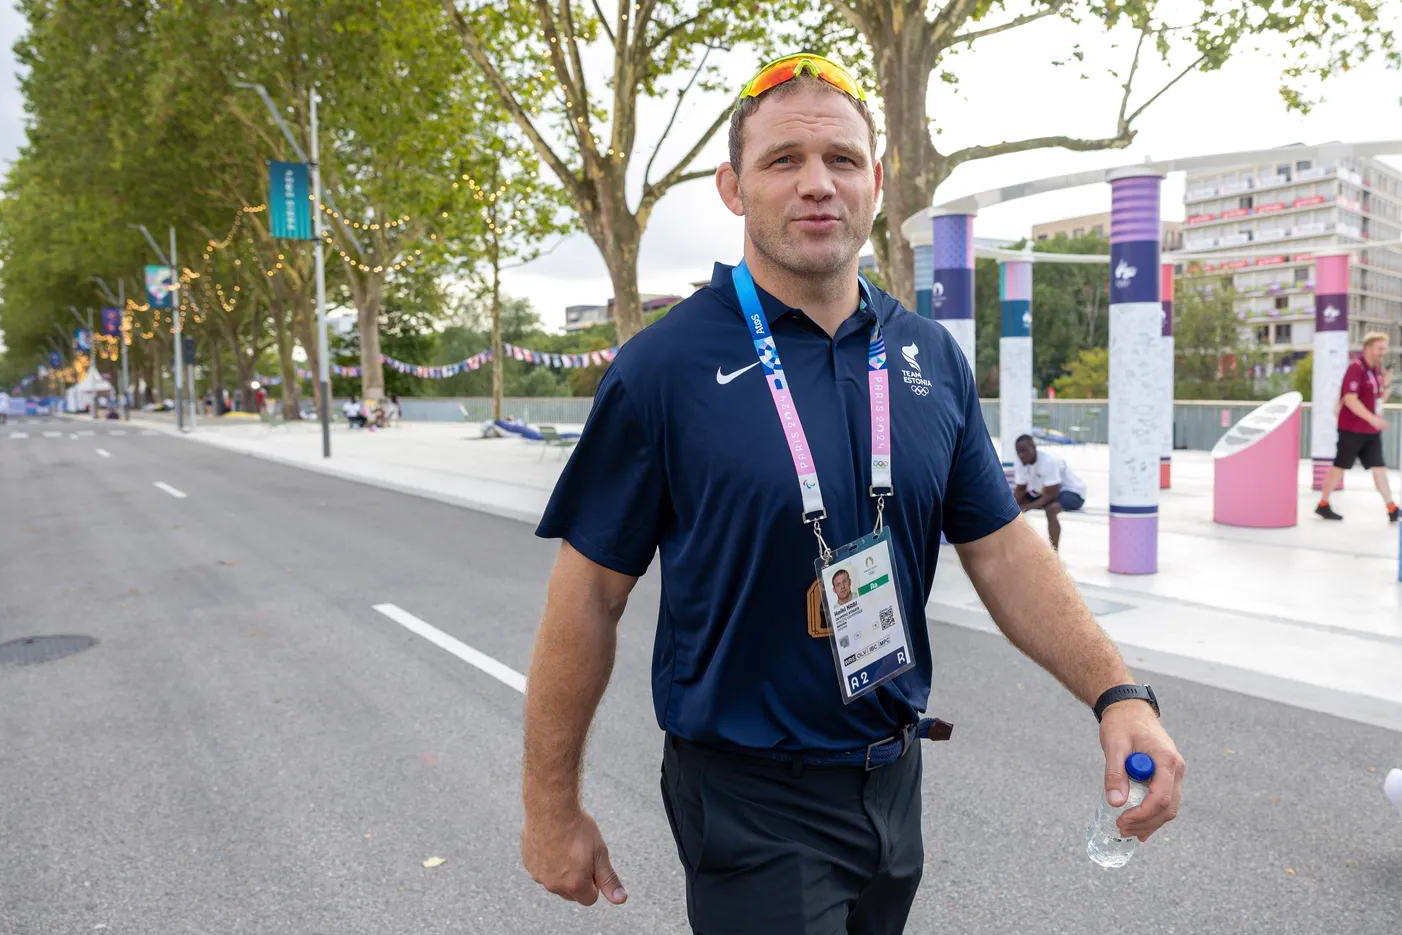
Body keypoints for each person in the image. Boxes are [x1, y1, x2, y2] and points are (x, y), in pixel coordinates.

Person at [522, 52, 1184, 935]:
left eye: (840, 160)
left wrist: (1118, 692)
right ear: (732, 187)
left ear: (876, 179)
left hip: (893, 779)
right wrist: (550, 805)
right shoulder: (663, 368)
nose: (815, 185)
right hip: (749, 796)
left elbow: (1001, 546)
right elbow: (588, 596)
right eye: (782, 160)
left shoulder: (926, 356)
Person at [1316, 332, 1396, 522]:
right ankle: (1323, 504)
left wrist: (1385, 385)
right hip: (1352, 429)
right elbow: (1350, 400)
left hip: (1370, 431)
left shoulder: (1376, 371)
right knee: (1339, 467)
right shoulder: (1356, 368)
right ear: (1368, 347)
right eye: (1380, 348)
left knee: (1379, 467)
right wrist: (1373, 419)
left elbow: (1378, 400)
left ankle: (1392, 508)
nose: (1382, 353)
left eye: (1384, 349)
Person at [1013, 434, 1089, 551]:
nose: (1021, 455)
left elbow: (1052, 493)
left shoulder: (1048, 461)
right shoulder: (1020, 462)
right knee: (1014, 509)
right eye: (1018, 452)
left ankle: (1054, 552)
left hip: (1071, 493)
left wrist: (1029, 506)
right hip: (1045, 491)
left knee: (1051, 509)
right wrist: (1011, 509)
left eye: (1024, 451)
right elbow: (1020, 489)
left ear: (1033, 447)